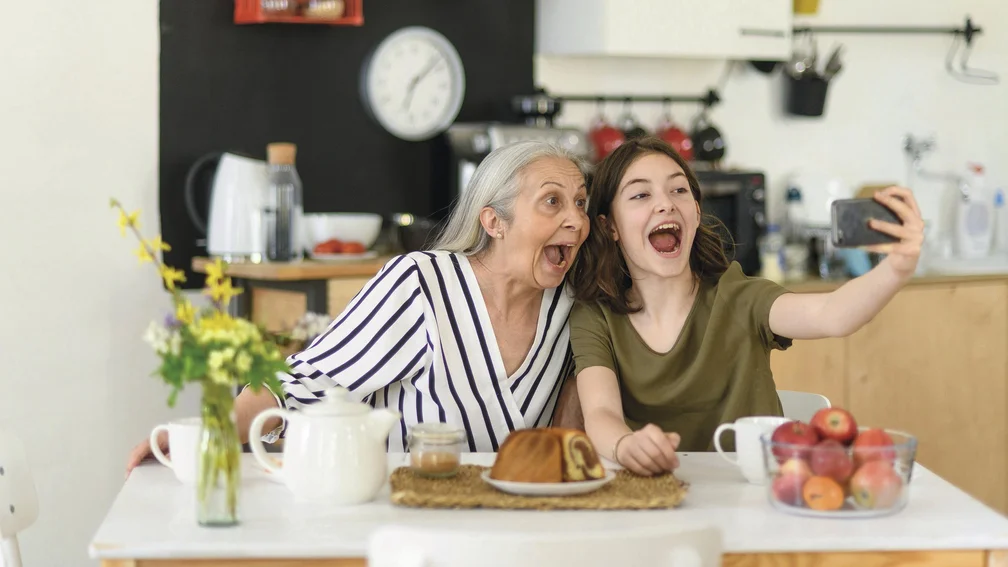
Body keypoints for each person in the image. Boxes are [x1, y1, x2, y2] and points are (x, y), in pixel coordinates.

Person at [126, 140, 591, 474]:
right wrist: (202, 436)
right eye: (552, 201)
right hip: (402, 521)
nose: (575, 219)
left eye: (581, 203)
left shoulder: (572, 310)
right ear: (494, 221)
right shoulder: (422, 284)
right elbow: (302, 379)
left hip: (513, 530)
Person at [567, 136, 925, 477]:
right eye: (641, 194)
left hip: (757, 494)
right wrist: (626, 445)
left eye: (679, 190)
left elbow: (830, 315)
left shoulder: (740, 296)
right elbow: (600, 413)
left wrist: (897, 268)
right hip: (653, 499)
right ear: (609, 225)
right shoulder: (595, 317)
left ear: (694, 210)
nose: (665, 203)